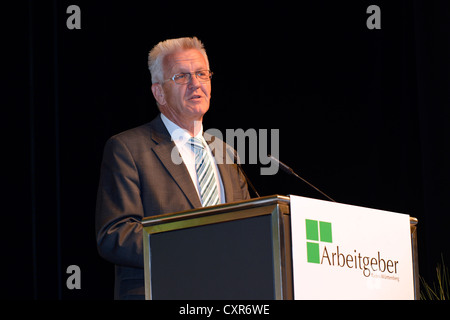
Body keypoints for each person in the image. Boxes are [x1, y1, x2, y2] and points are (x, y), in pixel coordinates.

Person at [95, 37, 251, 300]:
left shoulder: (227, 154)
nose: (195, 84)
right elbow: (115, 234)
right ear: (158, 93)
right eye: (181, 76)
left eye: (202, 74)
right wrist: (197, 245)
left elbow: (249, 227)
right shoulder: (128, 148)